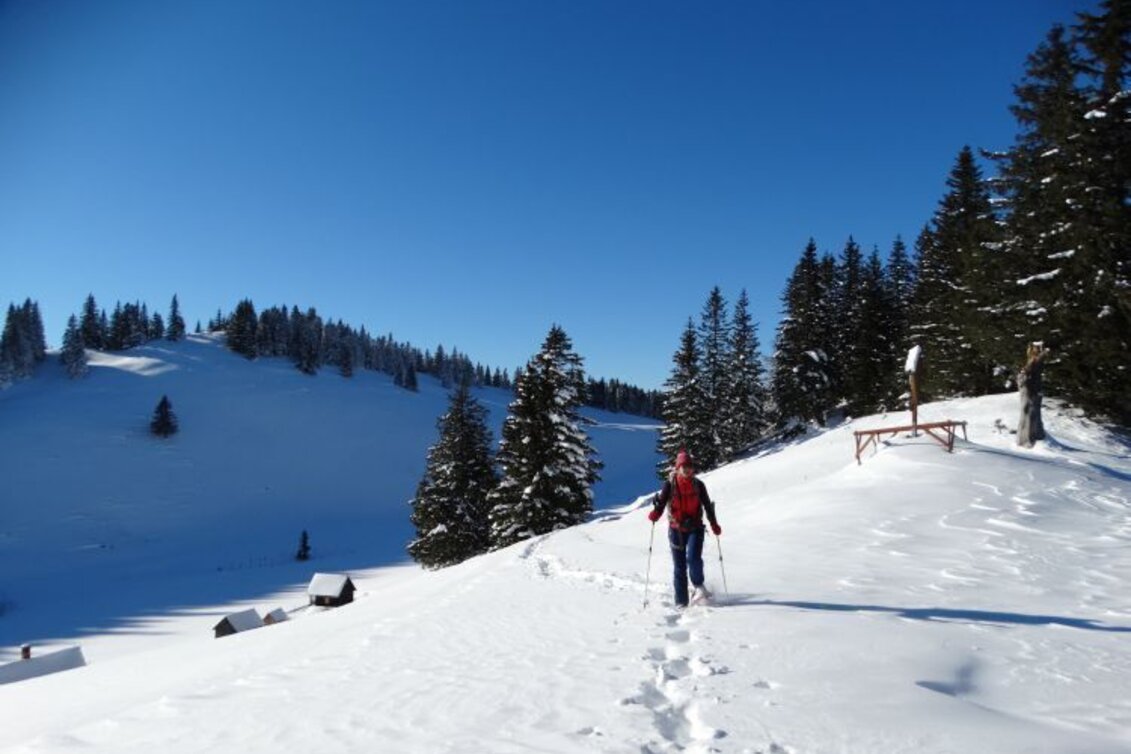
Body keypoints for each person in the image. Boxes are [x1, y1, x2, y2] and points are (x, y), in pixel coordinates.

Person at [647, 449, 722, 607]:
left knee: (693, 558)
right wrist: (655, 513)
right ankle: (681, 602)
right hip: (676, 529)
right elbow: (661, 503)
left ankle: (699, 587)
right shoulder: (670, 485)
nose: (687, 469)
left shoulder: (699, 485)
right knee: (679, 566)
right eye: (683, 466)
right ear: (677, 468)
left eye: (689, 466)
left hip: (695, 527)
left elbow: (708, 506)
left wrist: (714, 524)